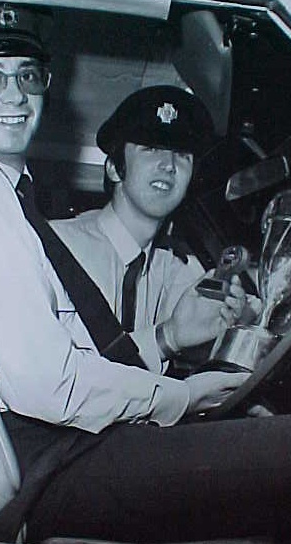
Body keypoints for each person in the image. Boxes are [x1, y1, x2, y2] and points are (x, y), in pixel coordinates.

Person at [0, 0, 291, 544]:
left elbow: (72, 360)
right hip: (55, 464)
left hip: (68, 449)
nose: (15, 94)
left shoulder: (2, 196)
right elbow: (47, 386)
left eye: (28, 76)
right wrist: (182, 396)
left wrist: (185, 361)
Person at [50, 85, 256, 373]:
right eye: (151, 149)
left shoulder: (173, 271)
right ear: (113, 168)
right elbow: (63, 378)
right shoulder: (55, 246)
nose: (169, 165)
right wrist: (166, 338)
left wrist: (239, 317)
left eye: (182, 154)